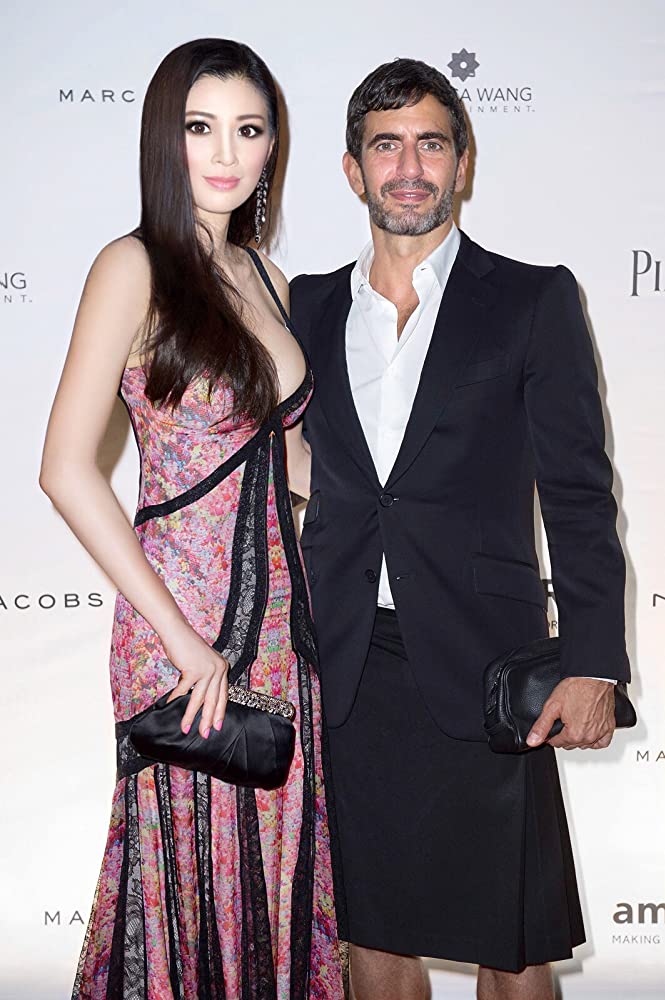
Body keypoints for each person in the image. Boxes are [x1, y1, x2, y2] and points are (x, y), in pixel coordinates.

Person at [289, 58, 630, 1000]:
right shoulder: (303, 307)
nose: (409, 167)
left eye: (430, 144)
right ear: (352, 169)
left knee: (511, 947)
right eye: (385, 146)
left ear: (462, 164)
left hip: (489, 667)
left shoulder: (530, 298)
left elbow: (578, 494)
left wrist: (593, 663)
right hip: (345, 665)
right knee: (372, 936)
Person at [40, 38, 343, 1000]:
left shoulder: (267, 279)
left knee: (275, 868)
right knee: (186, 869)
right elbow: (65, 470)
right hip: (179, 622)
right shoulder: (132, 266)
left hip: (283, 628)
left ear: (271, 148)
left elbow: (287, 461)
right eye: (200, 127)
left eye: (248, 131)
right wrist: (180, 640)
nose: (224, 153)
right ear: (161, 139)